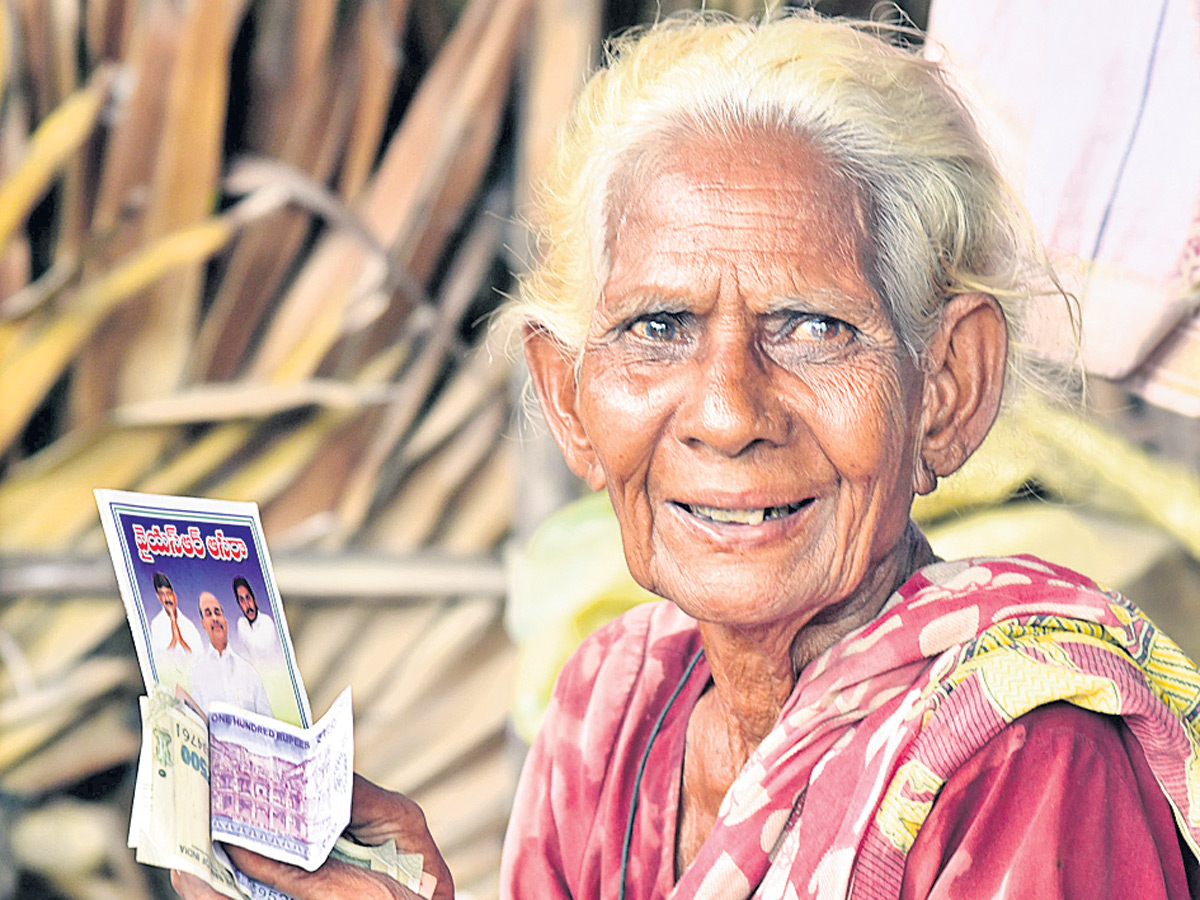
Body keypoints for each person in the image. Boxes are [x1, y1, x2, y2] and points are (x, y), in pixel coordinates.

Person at [174, 12, 1200, 900]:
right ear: (569, 399)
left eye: (810, 326)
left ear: (946, 388)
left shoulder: (1027, 757)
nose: (724, 411)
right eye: (658, 327)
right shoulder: (613, 709)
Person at [189, 590, 273, 718]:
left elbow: (269, 724)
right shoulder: (197, 673)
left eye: (218, 613)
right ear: (203, 624)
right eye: (208, 614)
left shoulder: (249, 672)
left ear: (225, 621)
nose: (215, 618)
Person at [147, 572, 202, 674]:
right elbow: (160, 662)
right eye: (162, 595)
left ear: (174, 596)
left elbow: (199, 657)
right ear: (158, 597)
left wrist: (181, 641)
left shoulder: (188, 625)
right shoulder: (157, 624)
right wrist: (174, 641)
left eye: (168, 594)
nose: (167, 599)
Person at [231, 576, 279, 666]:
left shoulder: (267, 623)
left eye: (248, 598)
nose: (247, 605)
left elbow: (272, 661)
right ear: (239, 606)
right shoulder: (241, 624)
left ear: (255, 600)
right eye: (242, 600)